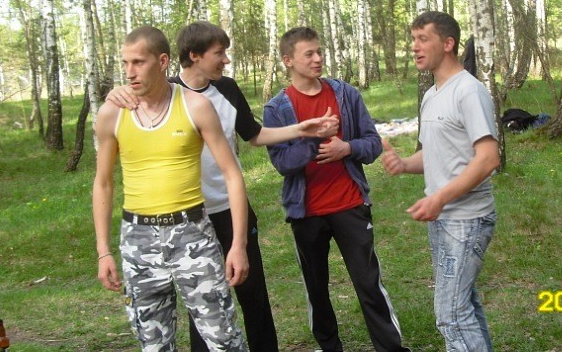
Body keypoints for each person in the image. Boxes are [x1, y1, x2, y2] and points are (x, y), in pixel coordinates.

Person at [106, 21, 338, 352]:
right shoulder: (167, 92)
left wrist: (302, 129)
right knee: (202, 305)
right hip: (190, 219)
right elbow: (129, 102)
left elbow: (254, 135)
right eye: (219, 53)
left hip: (231, 209)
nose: (225, 60)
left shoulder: (226, 89)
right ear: (194, 55)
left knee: (253, 293)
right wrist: (115, 92)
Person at [93, 26, 249, 351]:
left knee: (224, 340)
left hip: (192, 234)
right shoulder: (112, 114)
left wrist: (238, 244)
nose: (130, 72)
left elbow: (232, 175)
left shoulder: (195, 106)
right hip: (138, 240)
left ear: (162, 61)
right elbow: (103, 183)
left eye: (139, 62)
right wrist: (103, 251)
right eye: (125, 63)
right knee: (154, 345)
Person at [263, 27, 410, 352]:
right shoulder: (277, 109)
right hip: (306, 212)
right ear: (288, 60)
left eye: (319, 51)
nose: (318, 59)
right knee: (316, 289)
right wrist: (314, 139)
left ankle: (391, 348)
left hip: (350, 204)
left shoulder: (345, 94)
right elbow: (283, 163)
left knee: (369, 283)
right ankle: (329, 347)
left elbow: (372, 144)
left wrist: (347, 148)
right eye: (309, 54)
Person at [380, 11, 500, 352]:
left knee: (450, 314)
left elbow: (488, 158)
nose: (414, 47)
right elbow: (435, 154)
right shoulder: (432, 95)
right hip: (443, 218)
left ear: (448, 44)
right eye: (413, 39)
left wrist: (440, 198)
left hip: (466, 219)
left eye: (423, 39)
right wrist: (404, 164)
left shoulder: (468, 91)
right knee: (464, 304)